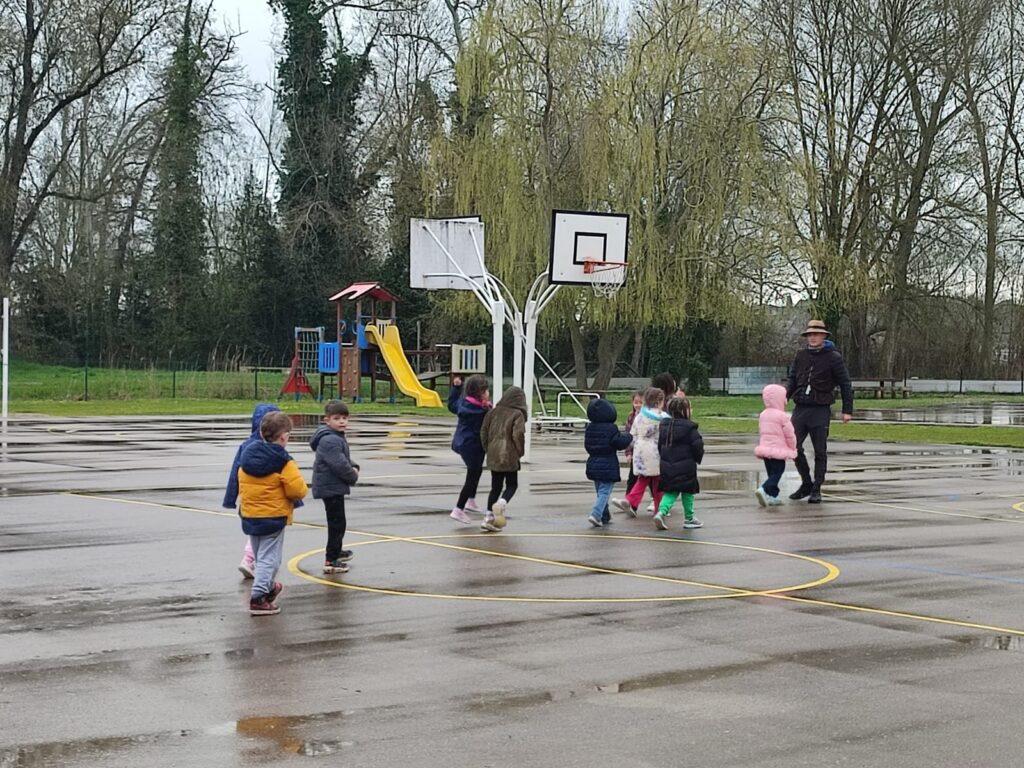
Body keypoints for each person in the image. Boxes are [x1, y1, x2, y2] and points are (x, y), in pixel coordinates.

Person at [238, 411, 308, 616]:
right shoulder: (283, 461)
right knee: (271, 558)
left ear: (261, 433)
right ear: (284, 437)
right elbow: (298, 490)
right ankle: (259, 597)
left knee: (261, 556)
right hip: (272, 516)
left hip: (250, 514)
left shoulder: (247, 456)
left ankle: (267, 587)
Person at [786, 319, 854, 504]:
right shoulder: (801, 355)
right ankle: (806, 483)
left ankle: (816, 488)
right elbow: (792, 379)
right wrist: (785, 396)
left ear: (823, 336)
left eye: (816, 334)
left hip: (820, 409)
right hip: (801, 407)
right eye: (810, 335)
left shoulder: (833, 357)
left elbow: (845, 383)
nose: (812, 338)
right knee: (793, 447)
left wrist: (847, 410)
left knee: (819, 451)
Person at [223, 402, 286, 579]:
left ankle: (251, 561)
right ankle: (257, 568)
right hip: (270, 504)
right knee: (268, 539)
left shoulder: (246, 446)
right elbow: (288, 477)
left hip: (249, 501)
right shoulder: (276, 449)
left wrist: (230, 499)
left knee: (255, 533)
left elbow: (235, 473)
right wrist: (294, 500)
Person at [310, 400, 360, 574]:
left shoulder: (335, 436)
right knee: (337, 524)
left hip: (333, 486)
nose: (341, 422)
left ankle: (336, 551)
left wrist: (353, 464)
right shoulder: (330, 439)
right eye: (337, 418)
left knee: (339, 522)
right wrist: (352, 474)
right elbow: (338, 464)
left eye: (344, 418)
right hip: (330, 487)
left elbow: (341, 457)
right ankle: (331, 560)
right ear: (327, 420)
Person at [611, 387, 667, 516]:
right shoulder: (662, 417)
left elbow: (632, 434)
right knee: (658, 481)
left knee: (643, 479)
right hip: (655, 451)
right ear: (659, 402)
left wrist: (630, 450)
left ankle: (631, 500)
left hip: (639, 451)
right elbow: (665, 435)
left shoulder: (639, 416)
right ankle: (660, 509)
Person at [479, 386, 527, 532]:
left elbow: (483, 432)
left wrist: (488, 449)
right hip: (509, 454)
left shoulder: (492, 412)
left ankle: (488, 517)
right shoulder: (517, 414)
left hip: (493, 453)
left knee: (495, 487)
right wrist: (520, 452)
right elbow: (518, 435)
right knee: (512, 485)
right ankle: (501, 504)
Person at [654, 395, 705, 530]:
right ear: (684, 411)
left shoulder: (665, 427)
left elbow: (660, 446)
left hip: (667, 466)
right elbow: (697, 446)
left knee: (670, 492)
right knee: (688, 492)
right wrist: (698, 458)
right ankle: (689, 518)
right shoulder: (690, 428)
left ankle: (661, 512)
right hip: (686, 467)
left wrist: (664, 459)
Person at [448, 374, 491, 524]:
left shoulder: (464, 404)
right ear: (480, 392)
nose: (488, 392)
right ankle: (458, 509)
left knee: (476, 471)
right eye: (486, 390)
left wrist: (456, 388)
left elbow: (452, 404)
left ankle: (471, 500)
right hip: (472, 445)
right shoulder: (481, 410)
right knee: (472, 476)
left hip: (464, 443)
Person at [585, 397, 633, 527]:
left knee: (600, 491)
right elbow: (619, 442)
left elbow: (587, 445)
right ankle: (596, 514)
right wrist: (628, 436)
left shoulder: (590, 428)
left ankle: (604, 515)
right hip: (608, 463)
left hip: (593, 462)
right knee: (605, 491)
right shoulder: (611, 428)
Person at [754, 384, 797, 506]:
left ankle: (773, 495)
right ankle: (764, 488)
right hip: (778, 450)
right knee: (777, 472)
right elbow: (790, 434)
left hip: (766, 449)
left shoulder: (763, 414)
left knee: (771, 473)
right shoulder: (782, 416)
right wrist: (793, 447)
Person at [623, 390, 643, 495]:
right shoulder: (631, 416)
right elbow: (628, 435)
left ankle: (655, 498)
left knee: (650, 477)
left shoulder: (648, 417)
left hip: (646, 450)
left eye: (641, 402)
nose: (638, 405)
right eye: (636, 402)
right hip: (635, 450)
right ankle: (628, 497)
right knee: (632, 477)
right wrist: (628, 453)